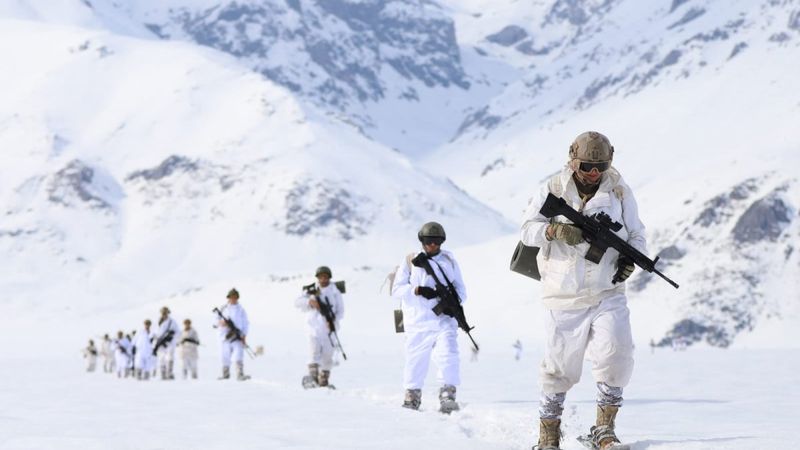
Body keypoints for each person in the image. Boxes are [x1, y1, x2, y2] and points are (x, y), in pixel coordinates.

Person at [521, 131, 644, 450]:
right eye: (587, 165)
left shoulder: (619, 191)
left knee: (617, 355)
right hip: (563, 292)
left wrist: (630, 259)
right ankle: (548, 435)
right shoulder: (553, 188)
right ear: (573, 162)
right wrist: (553, 230)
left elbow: (636, 235)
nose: (593, 173)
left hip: (608, 291)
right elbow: (527, 231)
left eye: (600, 165)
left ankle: (604, 430)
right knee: (559, 368)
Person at [391, 221, 467, 414]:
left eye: (436, 241)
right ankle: (412, 396)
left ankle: (448, 394)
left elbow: (461, 290)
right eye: (428, 241)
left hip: (444, 320)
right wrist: (417, 290)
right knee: (415, 360)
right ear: (422, 241)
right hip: (417, 321)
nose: (432, 245)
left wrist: (451, 303)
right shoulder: (410, 260)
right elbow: (397, 289)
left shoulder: (449, 260)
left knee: (449, 355)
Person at [295, 266, 345, 388]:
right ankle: (312, 378)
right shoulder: (311, 290)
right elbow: (297, 302)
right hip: (313, 328)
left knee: (328, 355)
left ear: (329, 277)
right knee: (314, 354)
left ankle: (323, 380)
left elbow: (341, 311)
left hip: (329, 329)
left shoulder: (335, 292)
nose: (323, 279)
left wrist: (333, 320)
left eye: (325, 276)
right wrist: (310, 302)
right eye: (321, 277)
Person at [214, 288, 250, 381]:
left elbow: (246, 323)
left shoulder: (241, 310)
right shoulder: (223, 308)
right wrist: (221, 323)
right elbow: (215, 322)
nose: (233, 299)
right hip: (224, 336)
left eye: (235, 297)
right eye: (232, 297)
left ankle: (240, 374)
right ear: (228, 297)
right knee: (224, 355)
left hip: (237, 336)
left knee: (238, 354)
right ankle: (225, 375)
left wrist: (244, 335)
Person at [154, 306, 181, 380]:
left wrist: (174, 339)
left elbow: (178, 332)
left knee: (169, 358)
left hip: (169, 343)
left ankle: (169, 373)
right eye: (163, 313)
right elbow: (155, 333)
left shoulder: (172, 322)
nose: (164, 314)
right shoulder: (158, 322)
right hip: (160, 343)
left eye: (165, 312)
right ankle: (163, 375)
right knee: (161, 359)